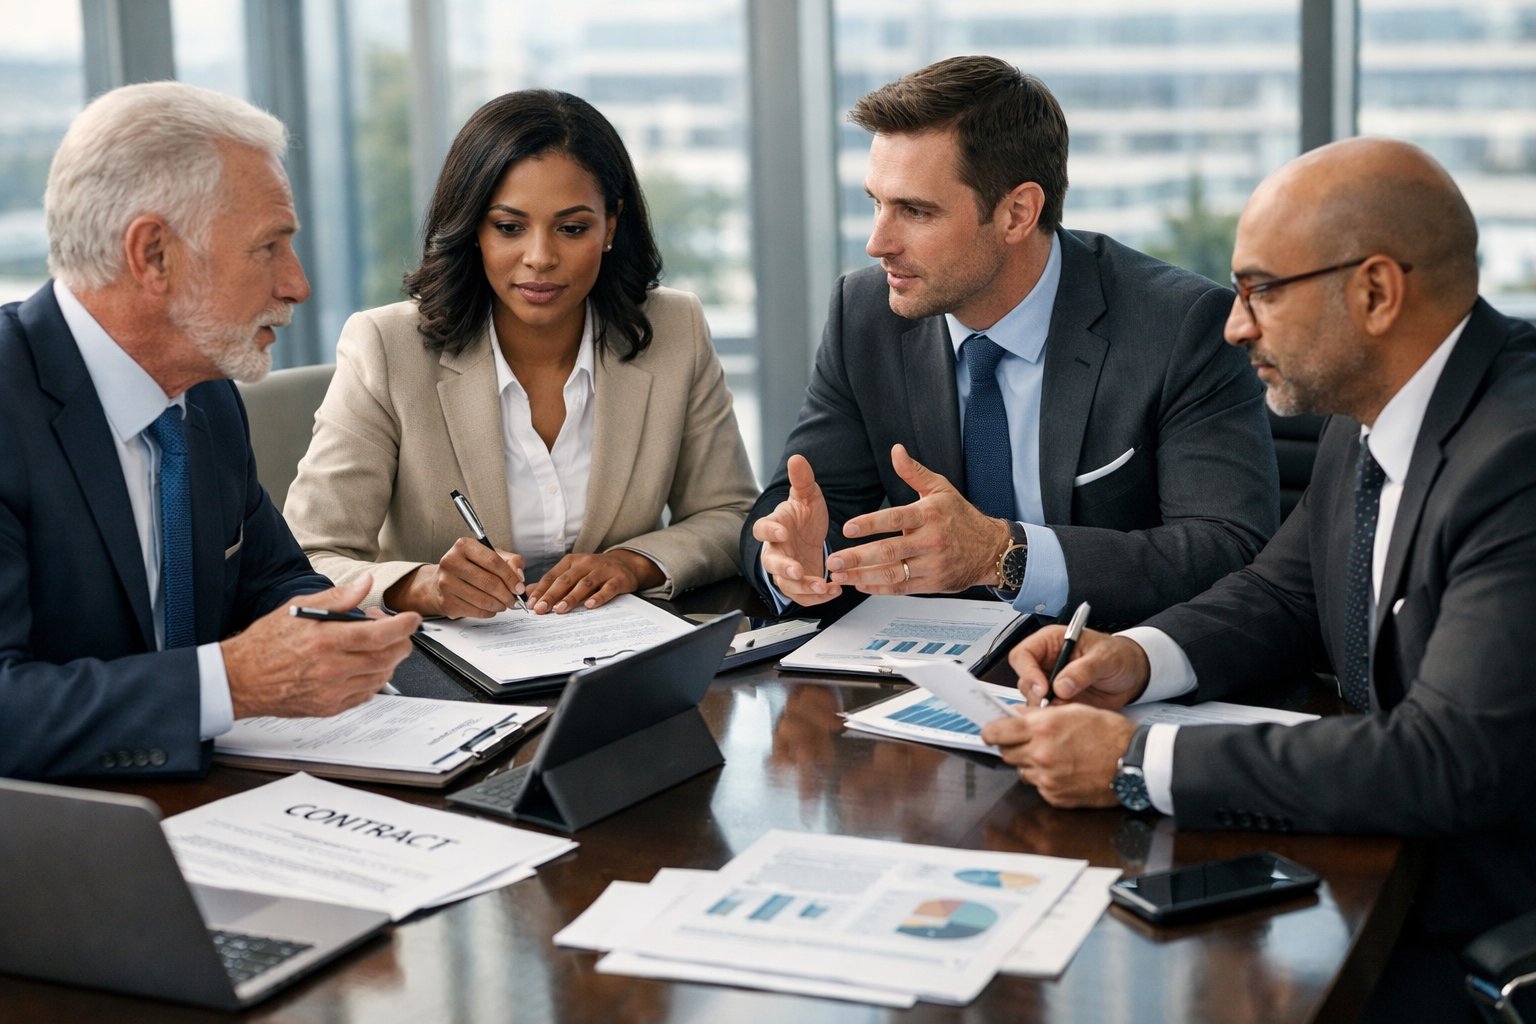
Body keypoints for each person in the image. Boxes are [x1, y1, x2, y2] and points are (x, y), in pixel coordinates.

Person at [984, 137, 1536, 1021]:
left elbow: (1447, 758)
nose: (1237, 325)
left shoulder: (1517, 454)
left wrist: (1135, 760)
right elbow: (1285, 592)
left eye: (1262, 290)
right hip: (1379, 863)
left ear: (1376, 292)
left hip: (1478, 920)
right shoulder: (1372, 406)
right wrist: (1135, 656)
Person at [742, 55, 1278, 628]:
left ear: (1018, 212)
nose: (878, 242)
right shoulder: (865, 314)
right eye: (876, 202)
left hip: (1107, 665)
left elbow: (1229, 551)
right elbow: (796, 509)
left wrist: (1003, 555)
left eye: (915, 211)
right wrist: (796, 562)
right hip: (921, 670)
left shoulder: (1178, 326)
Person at [0, 82, 422, 780]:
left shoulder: (208, 393)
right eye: (269, 247)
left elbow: (273, 575)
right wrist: (234, 682)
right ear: (154, 255)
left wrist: (333, 633)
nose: (297, 284)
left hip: (220, 802)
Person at [284, 89, 757, 618]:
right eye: (509, 227)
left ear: (611, 227)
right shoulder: (385, 347)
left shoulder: (675, 328)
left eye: (572, 228)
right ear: (473, 229)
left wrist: (632, 563)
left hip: (617, 662)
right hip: (450, 676)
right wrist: (422, 585)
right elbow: (307, 557)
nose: (540, 258)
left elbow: (731, 512)